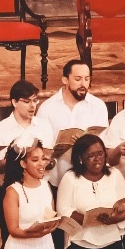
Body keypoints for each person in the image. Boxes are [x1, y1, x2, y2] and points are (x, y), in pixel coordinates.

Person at [1, 138, 60, 249]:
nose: (42, 164)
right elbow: (12, 229)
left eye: (43, 158)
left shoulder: (46, 186)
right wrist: (31, 233)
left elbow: (51, 216)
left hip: (44, 248)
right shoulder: (13, 191)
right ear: (22, 163)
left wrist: (54, 225)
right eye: (35, 160)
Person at [37, 59, 109, 191]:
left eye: (87, 79)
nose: (83, 84)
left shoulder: (98, 106)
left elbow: (103, 143)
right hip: (57, 180)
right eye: (78, 79)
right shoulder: (47, 108)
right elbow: (40, 147)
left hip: (89, 178)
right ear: (65, 80)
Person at [0, 80, 55, 170]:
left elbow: (52, 160)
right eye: (27, 101)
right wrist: (17, 157)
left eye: (35, 101)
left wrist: (49, 161)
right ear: (15, 102)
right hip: (12, 182)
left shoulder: (44, 126)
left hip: (41, 181)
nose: (32, 105)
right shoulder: (0, 129)